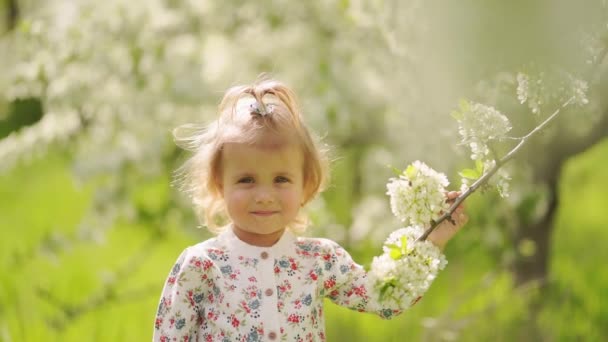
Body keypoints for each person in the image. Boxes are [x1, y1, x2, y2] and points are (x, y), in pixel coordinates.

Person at [153, 77, 468, 341]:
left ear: (307, 186)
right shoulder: (202, 265)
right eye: (247, 180)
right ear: (220, 185)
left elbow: (384, 299)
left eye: (281, 179)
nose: (264, 195)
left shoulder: (319, 261)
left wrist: (432, 240)